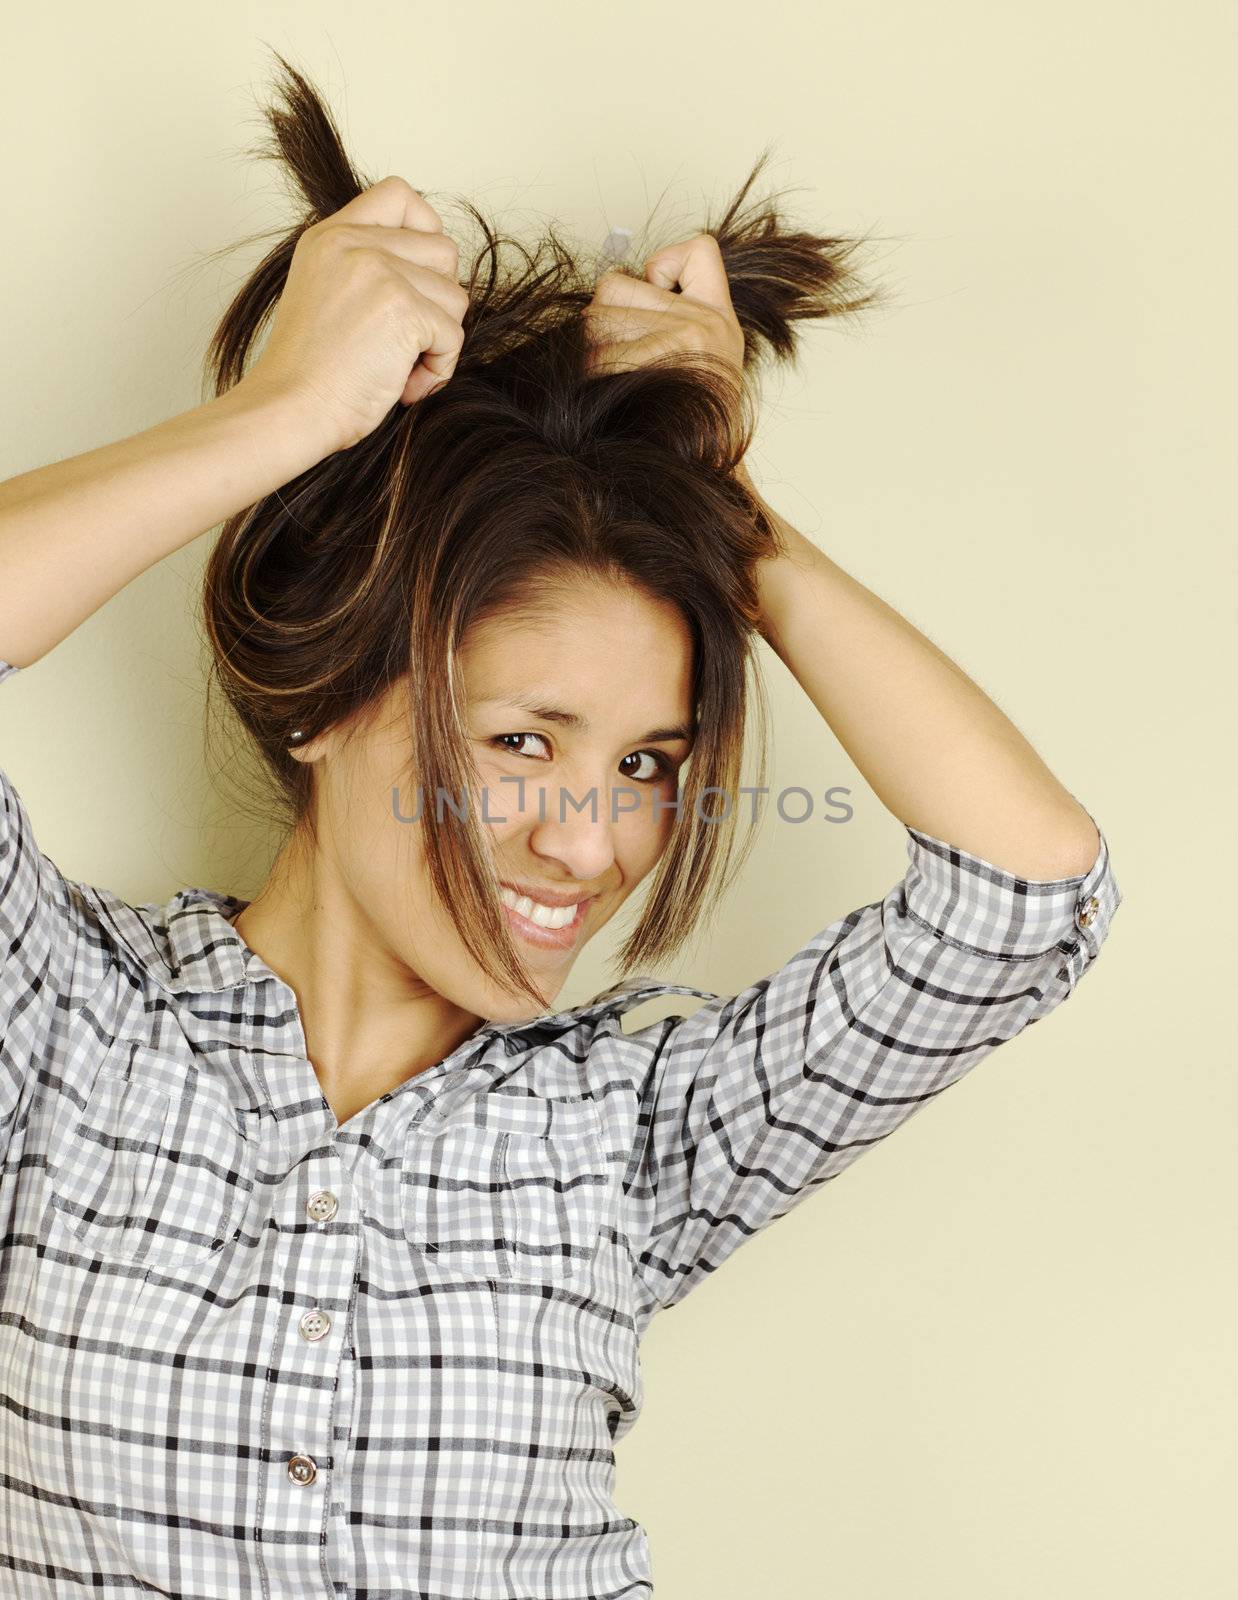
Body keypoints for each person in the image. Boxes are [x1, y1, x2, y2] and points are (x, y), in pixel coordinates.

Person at [0, 56, 1121, 1600]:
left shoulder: (630, 1128)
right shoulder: (72, 1032)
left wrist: (731, 512)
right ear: (325, 701)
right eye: (524, 741)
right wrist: (290, 413)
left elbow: (1023, 894)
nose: (591, 848)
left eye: (652, 765)